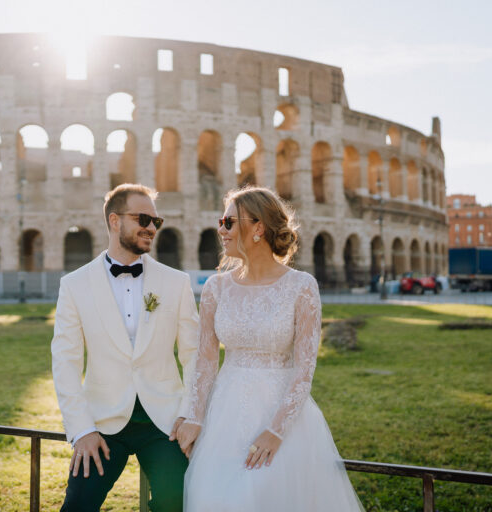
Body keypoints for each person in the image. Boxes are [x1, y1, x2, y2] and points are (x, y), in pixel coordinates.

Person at [176, 187, 363, 511]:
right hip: (225, 414)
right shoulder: (215, 288)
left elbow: (304, 369)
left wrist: (276, 431)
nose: (221, 230)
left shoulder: (302, 287)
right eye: (222, 222)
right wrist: (193, 415)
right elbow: (206, 360)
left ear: (258, 227)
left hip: (283, 417)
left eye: (229, 222)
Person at [51, 183, 199, 512]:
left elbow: (194, 356)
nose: (151, 228)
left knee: (175, 503)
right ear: (115, 221)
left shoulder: (176, 283)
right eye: (143, 218)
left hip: (164, 424)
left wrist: (190, 414)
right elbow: (65, 362)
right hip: (102, 424)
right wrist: (82, 430)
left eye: (156, 222)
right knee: (77, 505)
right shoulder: (74, 285)